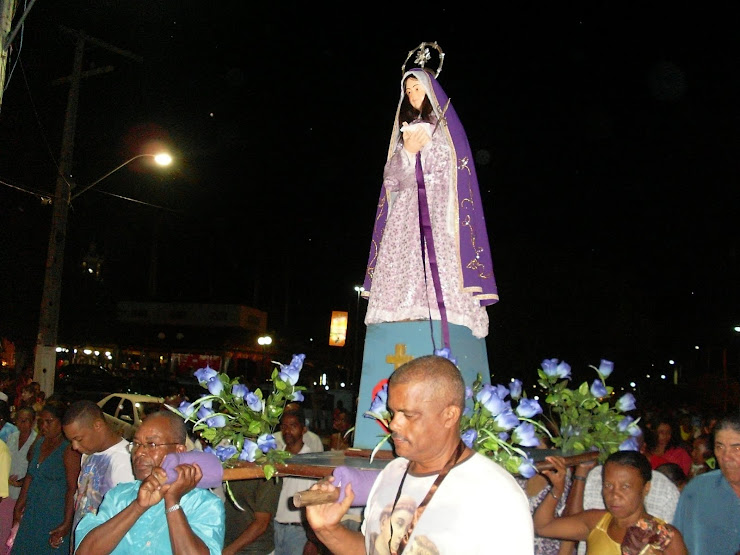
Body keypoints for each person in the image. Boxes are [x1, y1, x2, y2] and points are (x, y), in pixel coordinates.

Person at [306, 355, 533, 554]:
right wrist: (327, 529)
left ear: (449, 415)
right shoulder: (391, 474)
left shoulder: (495, 494)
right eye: (393, 412)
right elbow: (373, 549)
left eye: (409, 415)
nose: (393, 424)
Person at [361, 65, 498, 340]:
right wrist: (409, 153)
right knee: (404, 260)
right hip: (407, 210)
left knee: (442, 262)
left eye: (417, 88)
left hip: (440, 207)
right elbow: (392, 180)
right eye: (408, 91)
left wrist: (426, 158)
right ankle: (401, 315)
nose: (412, 95)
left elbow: (455, 167)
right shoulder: (406, 131)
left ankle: (447, 317)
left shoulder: (447, 129)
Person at [75, 410, 225, 554]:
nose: (139, 453)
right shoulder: (119, 496)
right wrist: (138, 507)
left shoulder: (204, 504)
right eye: (136, 444)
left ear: (179, 451)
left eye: (151, 445)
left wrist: (172, 503)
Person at [534, 451, 687, 554]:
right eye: (608, 485)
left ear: (646, 488)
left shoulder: (664, 536)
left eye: (625, 487)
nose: (614, 495)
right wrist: (557, 489)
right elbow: (542, 527)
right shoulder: (595, 521)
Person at [12, 399, 81, 553]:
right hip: (33, 511)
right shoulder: (39, 444)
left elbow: (72, 488)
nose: (44, 426)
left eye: (49, 422)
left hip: (54, 514)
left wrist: (67, 523)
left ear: (61, 422)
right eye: (41, 422)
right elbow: (30, 476)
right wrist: (19, 505)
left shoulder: (69, 450)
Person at [62, 400, 135, 541]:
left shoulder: (125, 460)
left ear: (98, 425)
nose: (74, 447)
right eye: (71, 441)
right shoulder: (89, 454)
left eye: (78, 439)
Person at [672, 412, 740, 554]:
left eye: (736, 448)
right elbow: (677, 543)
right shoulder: (697, 491)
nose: (726, 457)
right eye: (720, 447)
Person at [273, 407, 324, 555]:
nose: (287, 431)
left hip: (299, 531)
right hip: (276, 528)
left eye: (293, 426)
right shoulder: (275, 458)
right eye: (284, 427)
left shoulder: (312, 462)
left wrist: (313, 540)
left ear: (303, 429)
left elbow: (315, 503)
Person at [0, 406, 36, 553]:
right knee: (4, 530)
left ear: (33, 422)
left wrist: (21, 483)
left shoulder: (36, 442)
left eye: (25, 421)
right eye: (19, 421)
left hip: (24, 494)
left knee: (16, 532)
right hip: (7, 492)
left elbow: (34, 470)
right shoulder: (12, 437)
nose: (21, 424)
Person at [222, 475, 281, 555]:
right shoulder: (236, 470)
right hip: (229, 543)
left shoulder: (268, 476)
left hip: (254, 549)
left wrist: (229, 551)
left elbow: (261, 523)